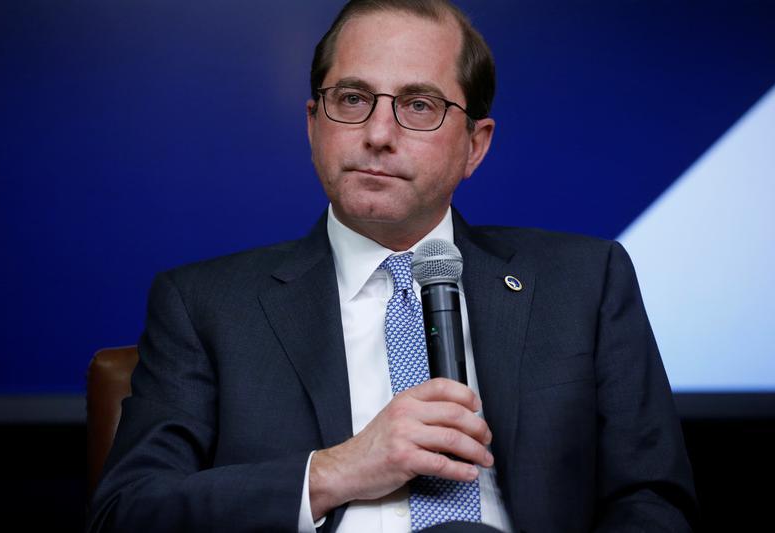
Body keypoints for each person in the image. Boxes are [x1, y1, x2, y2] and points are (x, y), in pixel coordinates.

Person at [88, 1, 697, 531]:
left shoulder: (585, 282)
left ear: (475, 145)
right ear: (312, 124)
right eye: (352, 98)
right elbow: (127, 512)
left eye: (419, 105)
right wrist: (336, 471)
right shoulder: (204, 305)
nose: (379, 133)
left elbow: (652, 500)